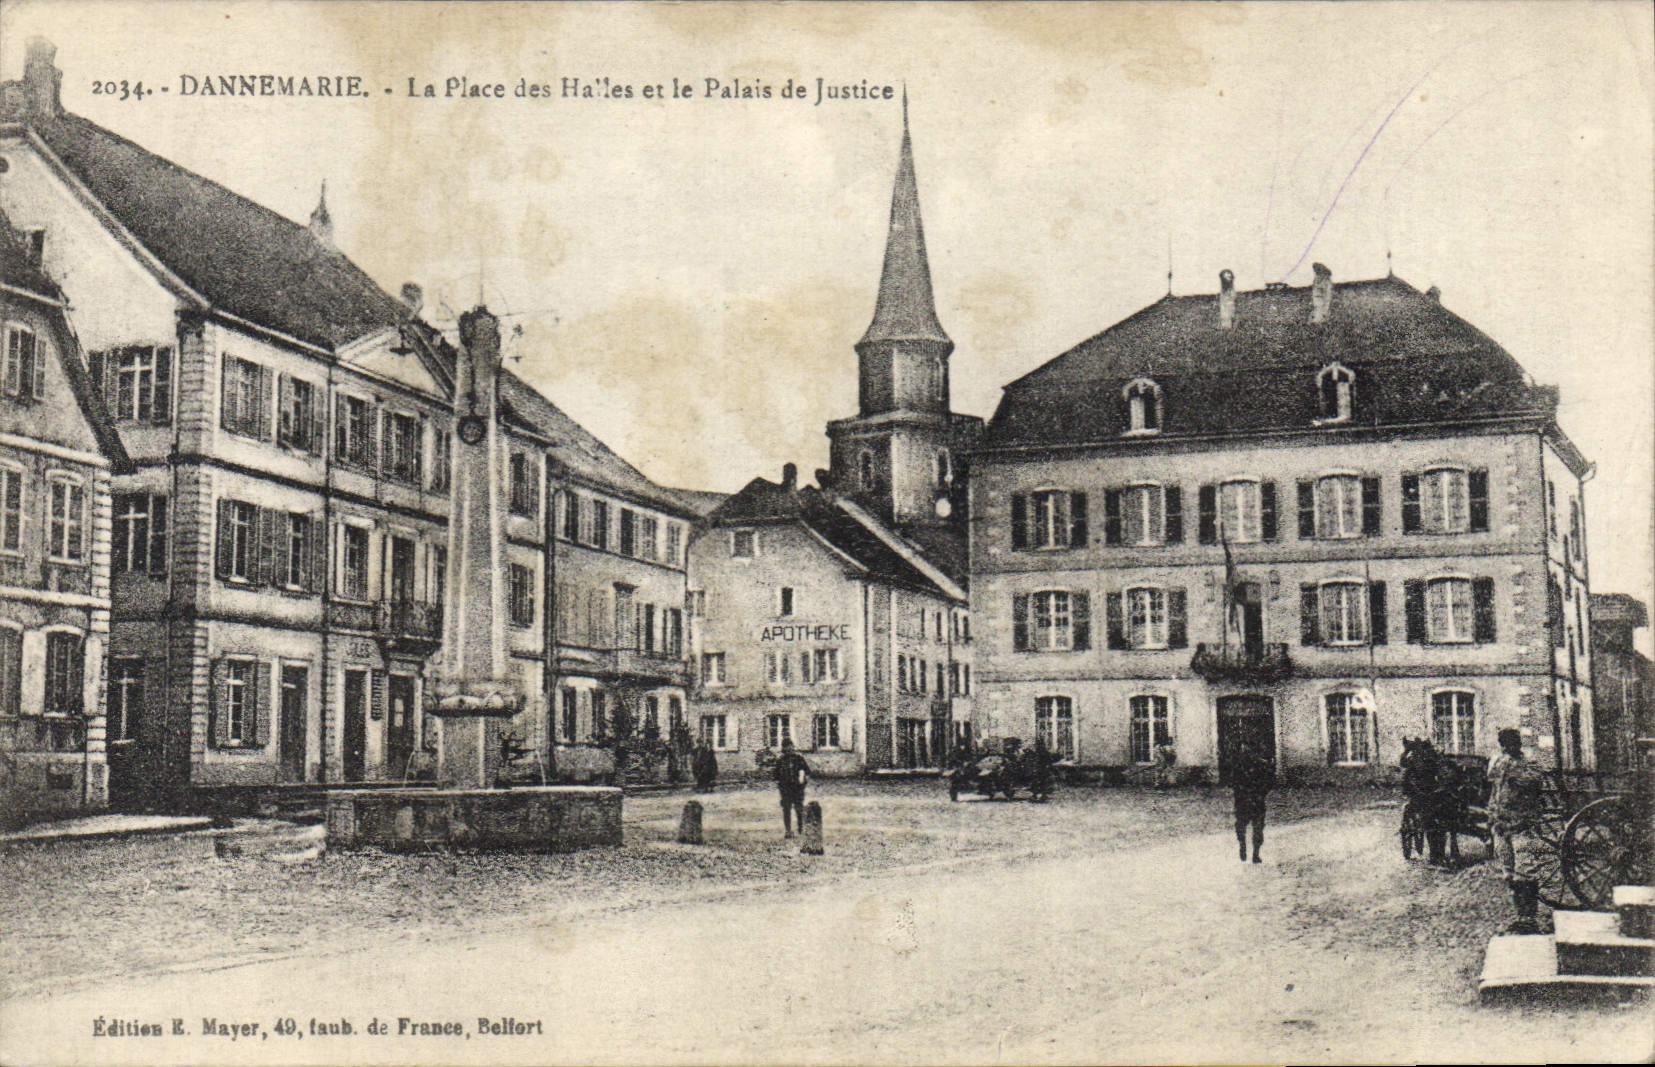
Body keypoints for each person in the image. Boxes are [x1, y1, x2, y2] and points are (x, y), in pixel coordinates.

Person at [1487, 727, 1546, 934]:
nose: (1508, 747)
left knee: (1526, 870)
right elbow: (1494, 792)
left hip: (1523, 824)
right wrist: (1492, 816)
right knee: (1509, 872)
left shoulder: (1529, 763)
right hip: (1502, 826)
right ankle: (1520, 916)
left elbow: (1535, 782)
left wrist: (1515, 773)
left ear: (1518, 744)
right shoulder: (1498, 762)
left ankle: (1530, 919)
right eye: (1504, 743)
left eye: (1512, 742)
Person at [1231, 742, 1275, 863]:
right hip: (1255, 799)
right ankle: (1253, 852)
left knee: (1245, 825)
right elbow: (1269, 782)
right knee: (1257, 826)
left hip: (1245, 799)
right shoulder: (1261, 764)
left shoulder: (1239, 765)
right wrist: (1262, 793)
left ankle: (1245, 847)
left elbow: (1233, 782)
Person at [773, 738, 810, 838]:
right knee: (786, 809)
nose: (789, 749)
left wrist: (803, 782)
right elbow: (776, 776)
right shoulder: (780, 761)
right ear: (783, 749)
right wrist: (781, 786)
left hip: (797, 788)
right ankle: (788, 830)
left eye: (791, 746)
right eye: (786, 747)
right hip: (785, 789)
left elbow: (807, 772)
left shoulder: (799, 759)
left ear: (793, 747)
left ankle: (801, 828)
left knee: (799, 809)